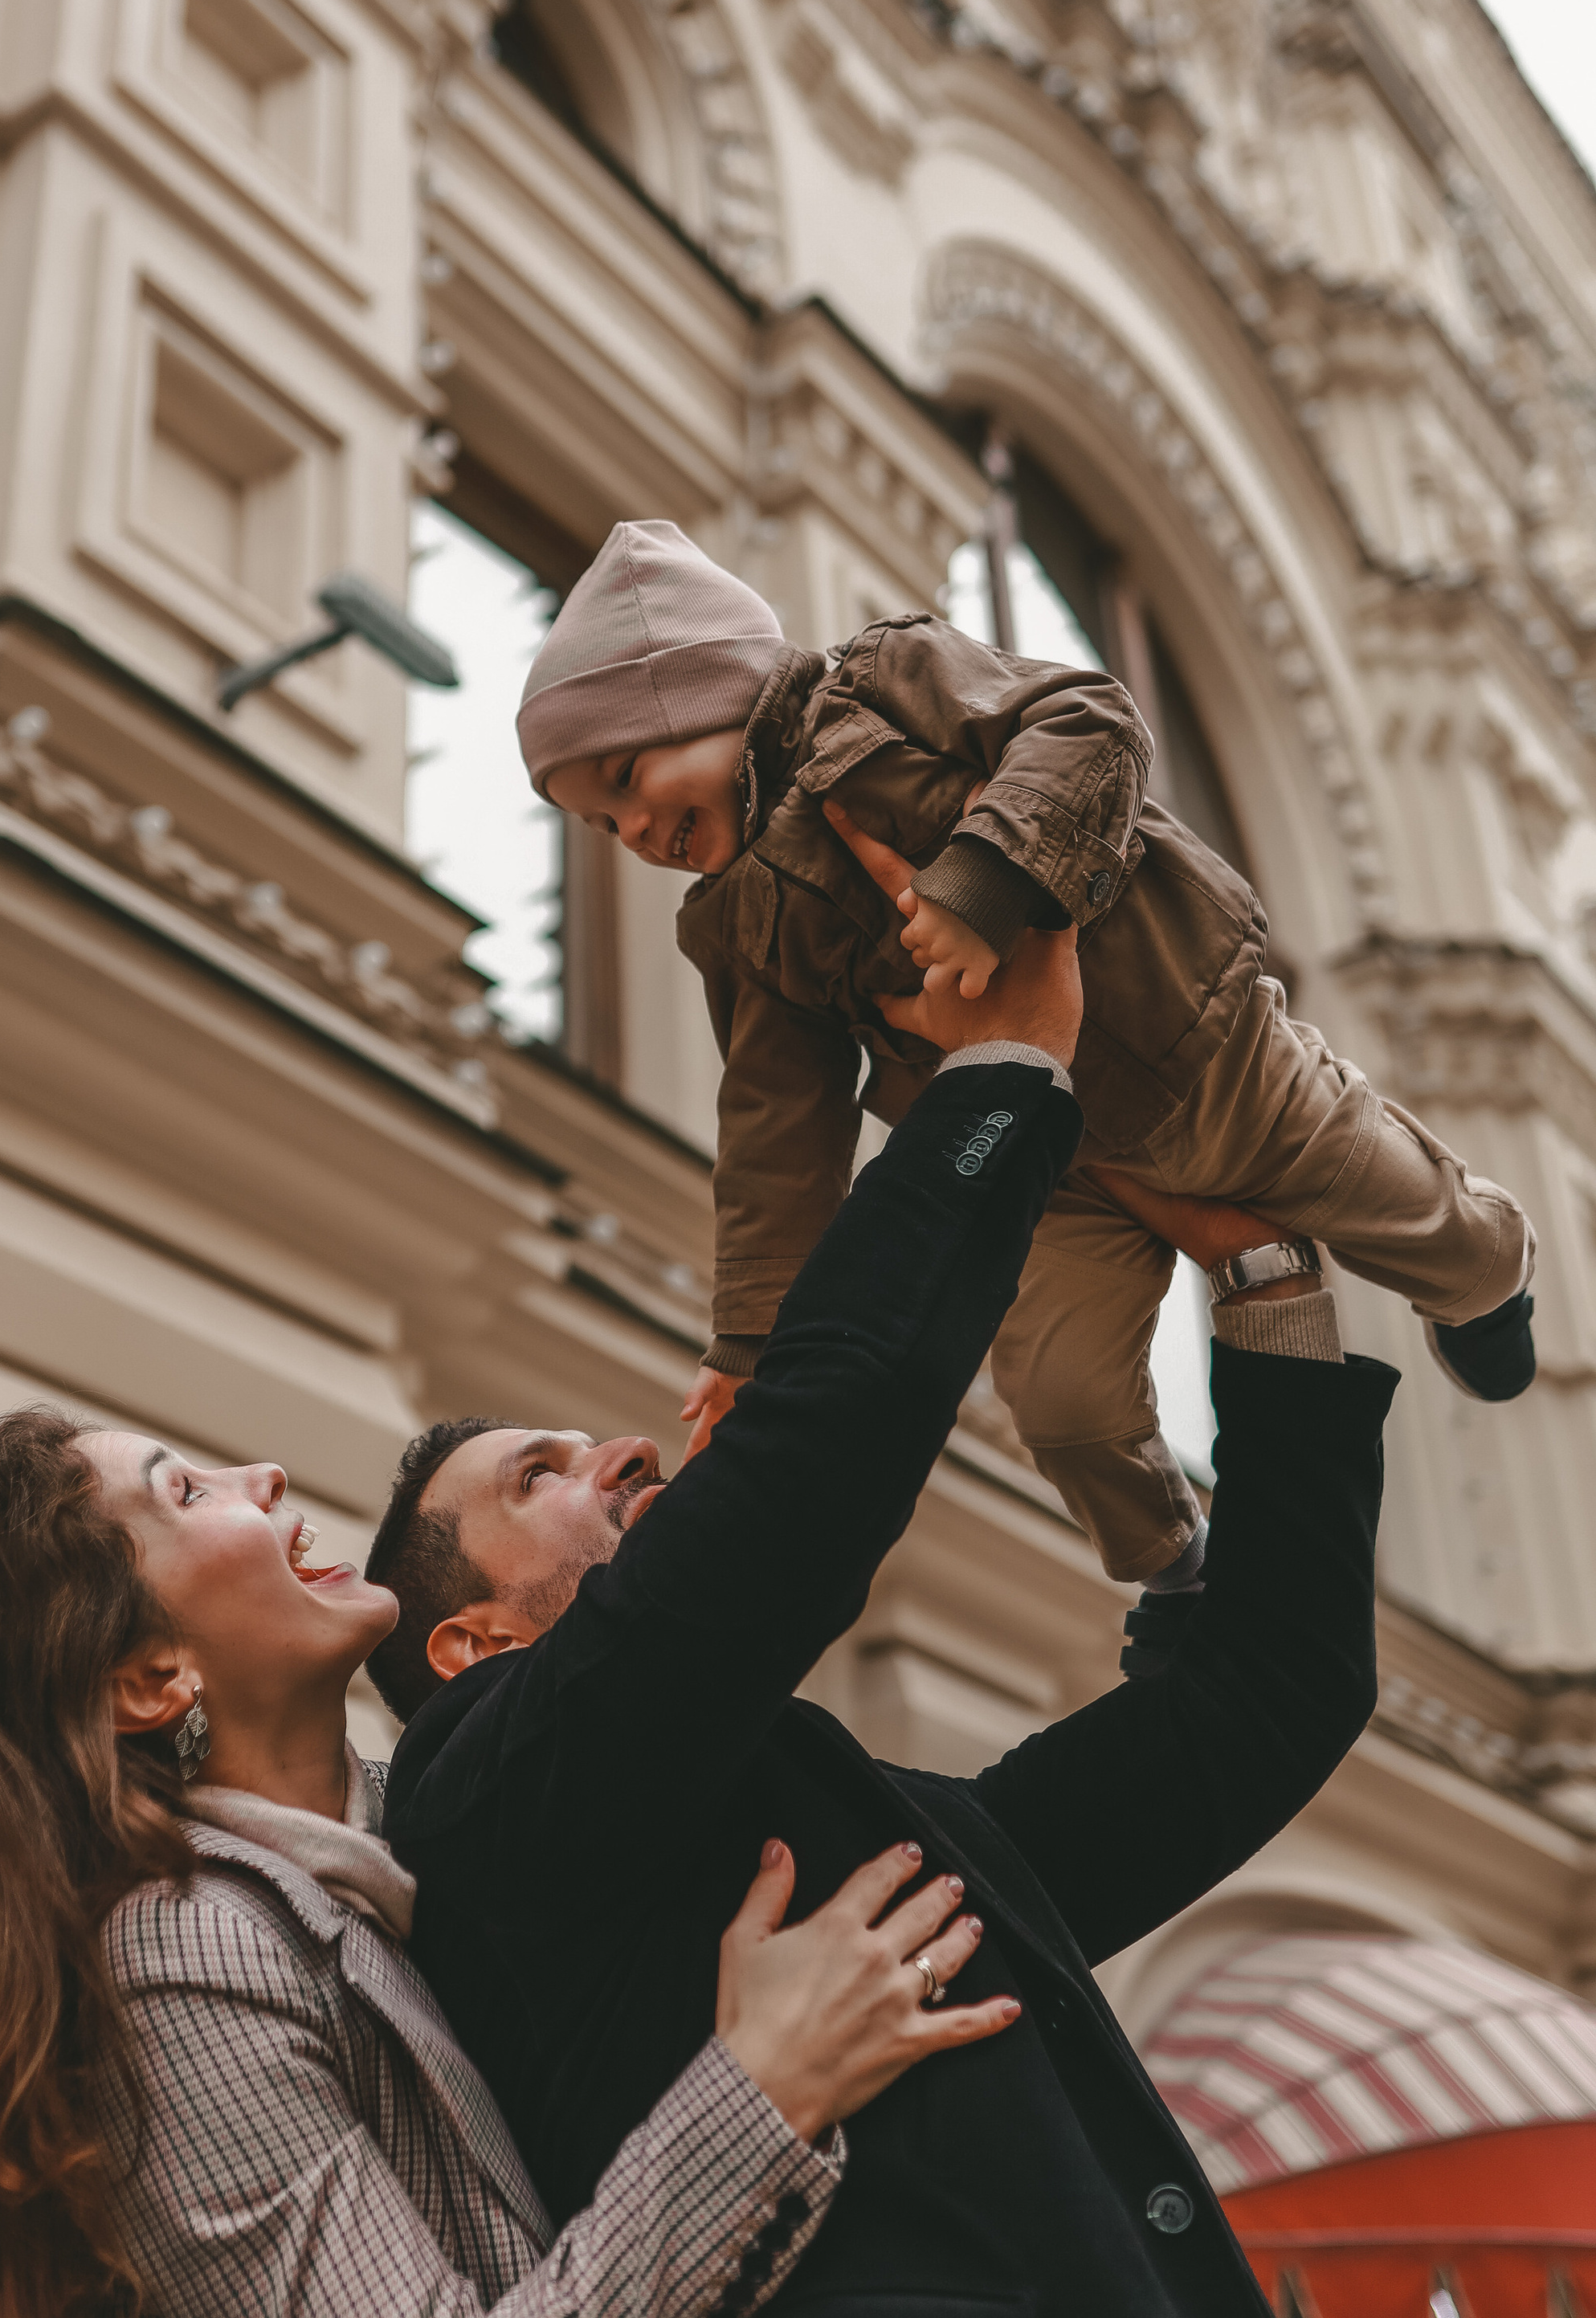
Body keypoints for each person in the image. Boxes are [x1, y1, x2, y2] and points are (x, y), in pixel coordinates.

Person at [366, 904, 1398, 2318]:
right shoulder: (485, 1791)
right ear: (468, 1641)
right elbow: (809, 1464)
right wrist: (998, 1077)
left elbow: (1265, 1694)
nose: (623, 1452)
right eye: (534, 1475)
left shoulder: (880, 1834)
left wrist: (1262, 1279)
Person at [0, 1406, 1020, 2318]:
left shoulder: (427, 1862)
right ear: (152, 1677)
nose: (264, 1475)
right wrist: (764, 2088)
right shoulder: (183, 1954)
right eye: (187, 1491)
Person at [523, 515, 1532, 1612]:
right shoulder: (739, 928)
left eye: (628, 776)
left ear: (708, 690)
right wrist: (752, 1336)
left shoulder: (881, 686)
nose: (629, 827)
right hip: (1049, 1160)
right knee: (1056, 1401)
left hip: (1204, 1052)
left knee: (1421, 1221)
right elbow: (775, 1123)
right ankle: (1169, 1561)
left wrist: (981, 884)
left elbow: (1089, 722)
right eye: (599, 822)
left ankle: (1496, 1273)